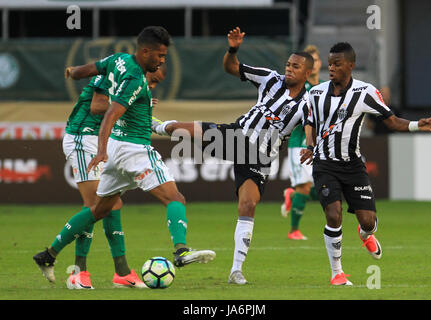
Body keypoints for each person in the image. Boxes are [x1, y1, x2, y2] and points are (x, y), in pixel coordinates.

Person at [33, 26, 216, 285]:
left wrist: (73, 73)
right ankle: (181, 250)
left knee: (99, 209)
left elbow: (92, 68)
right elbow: (108, 113)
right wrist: (101, 150)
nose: (162, 61)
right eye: (160, 56)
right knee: (175, 197)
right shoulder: (133, 79)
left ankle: (48, 254)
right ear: (145, 51)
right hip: (133, 149)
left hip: (118, 148)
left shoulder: (119, 60)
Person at [152, 27, 314, 285]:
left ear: (307, 73)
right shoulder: (270, 79)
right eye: (288, 64)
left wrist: (311, 146)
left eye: (295, 66)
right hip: (237, 136)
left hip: (260, 157)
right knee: (189, 130)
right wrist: (233, 49)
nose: (289, 69)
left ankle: (236, 270)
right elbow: (231, 67)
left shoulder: (309, 102)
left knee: (248, 206)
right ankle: (151, 123)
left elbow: (309, 125)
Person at [300, 42, 431, 286]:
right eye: (329, 64)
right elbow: (309, 121)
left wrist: (417, 125)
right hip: (324, 163)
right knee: (334, 214)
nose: (331, 68)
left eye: (337, 64)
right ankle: (337, 273)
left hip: (353, 166)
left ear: (350, 66)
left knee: (368, 221)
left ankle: (366, 234)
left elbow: (391, 121)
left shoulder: (365, 93)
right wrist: (310, 146)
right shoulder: (316, 93)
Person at [60, 67, 167, 289]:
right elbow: (98, 106)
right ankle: (76, 272)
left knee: (113, 205)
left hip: (101, 141)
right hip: (83, 138)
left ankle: (122, 272)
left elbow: (128, 114)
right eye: (153, 81)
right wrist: (130, 103)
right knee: (94, 206)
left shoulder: (134, 88)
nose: (152, 87)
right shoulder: (116, 77)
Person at [281, 44, 324, 240]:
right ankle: (293, 231)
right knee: (305, 187)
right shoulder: (299, 88)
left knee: (323, 189)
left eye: (314, 62)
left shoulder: (325, 87)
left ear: (319, 64)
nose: (313, 67)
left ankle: (292, 195)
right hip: (299, 142)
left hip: (320, 145)